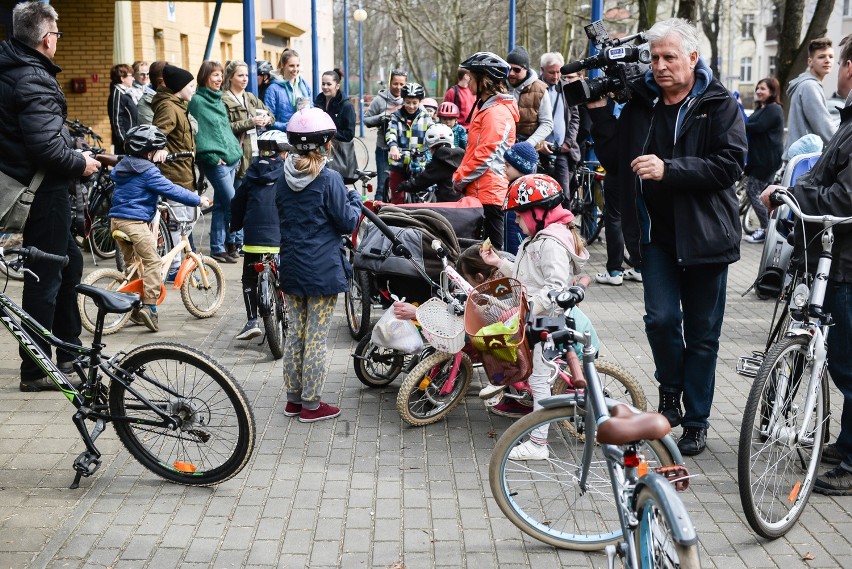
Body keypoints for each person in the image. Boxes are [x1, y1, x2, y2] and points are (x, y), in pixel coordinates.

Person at [588, 18, 747, 456]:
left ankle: (695, 421)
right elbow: (616, 160)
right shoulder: (643, 104)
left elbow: (729, 164)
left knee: (702, 335)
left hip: (706, 239)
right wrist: (599, 112)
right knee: (660, 320)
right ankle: (670, 391)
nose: (659, 65)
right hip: (656, 237)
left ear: (692, 59)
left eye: (669, 57)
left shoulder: (719, 104)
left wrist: (669, 169)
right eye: (654, 58)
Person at [0, 1, 100, 391]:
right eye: (57, 33)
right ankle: (37, 369)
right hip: (43, 191)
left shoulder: (12, 70)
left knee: (69, 264)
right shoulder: (32, 78)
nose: (59, 39)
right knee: (44, 280)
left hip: (33, 183)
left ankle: (69, 351)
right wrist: (81, 163)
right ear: (45, 38)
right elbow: (46, 148)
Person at [759, 94, 852, 496]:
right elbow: (822, 178)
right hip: (832, 257)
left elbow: (845, 198)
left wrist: (792, 196)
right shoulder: (847, 121)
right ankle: (846, 447)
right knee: (843, 363)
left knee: (849, 369)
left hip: (846, 263)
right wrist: (793, 189)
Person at [479, 174, 595, 449]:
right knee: (533, 373)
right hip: (535, 317)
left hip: (547, 319)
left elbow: (555, 287)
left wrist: (530, 305)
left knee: (539, 380)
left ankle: (539, 443)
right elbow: (526, 278)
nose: (517, 221)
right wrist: (499, 263)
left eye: (520, 215)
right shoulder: (537, 239)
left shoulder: (551, 244)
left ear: (538, 212)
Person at [276, 107, 362, 422]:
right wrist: (354, 201)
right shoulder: (328, 178)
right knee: (316, 336)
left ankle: (293, 400)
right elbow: (346, 221)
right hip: (323, 267)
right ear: (326, 143)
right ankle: (312, 405)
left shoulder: (282, 177)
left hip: (292, 264)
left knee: (295, 332)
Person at [108, 125, 208, 332]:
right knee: (152, 261)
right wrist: (198, 200)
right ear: (149, 152)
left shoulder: (125, 165)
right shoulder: (148, 171)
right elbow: (171, 189)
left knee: (133, 263)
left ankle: (134, 306)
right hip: (134, 223)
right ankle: (150, 305)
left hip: (116, 221)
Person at [452, 52, 520, 249]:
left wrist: (459, 179)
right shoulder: (488, 109)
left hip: (489, 193)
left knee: (492, 256)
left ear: (485, 80)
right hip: (482, 191)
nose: (469, 81)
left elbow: (485, 156)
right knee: (483, 254)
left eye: (472, 77)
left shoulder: (495, 113)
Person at [230, 130, 289, 340]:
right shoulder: (288, 173)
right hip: (279, 236)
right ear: (284, 153)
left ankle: (251, 321)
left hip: (253, 237)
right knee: (286, 272)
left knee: (248, 277)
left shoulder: (251, 173)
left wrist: (234, 227)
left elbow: (237, 203)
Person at [188, 60, 244, 264]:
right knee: (233, 202)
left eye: (221, 75)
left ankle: (219, 248)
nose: (219, 79)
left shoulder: (218, 100)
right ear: (204, 77)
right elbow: (198, 133)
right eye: (215, 75)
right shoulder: (197, 101)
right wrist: (212, 157)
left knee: (221, 205)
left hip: (230, 159)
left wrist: (235, 152)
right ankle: (231, 242)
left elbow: (224, 130)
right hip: (215, 161)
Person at [741, 77, 784, 245]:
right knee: (765, 196)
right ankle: (771, 229)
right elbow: (750, 123)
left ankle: (766, 229)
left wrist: (738, 120)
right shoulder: (762, 108)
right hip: (758, 159)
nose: (759, 91)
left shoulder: (774, 109)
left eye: (763, 89)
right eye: (758, 88)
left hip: (767, 161)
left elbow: (757, 126)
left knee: (752, 191)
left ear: (772, 92)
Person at [223, 60, 273, 187]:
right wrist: (251, 122)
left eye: (246, 75)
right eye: (240, 76)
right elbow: (224, 128)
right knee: (238, 194)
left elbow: (271, 116)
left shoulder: (250, 97)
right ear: (230, 78)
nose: (245, 79)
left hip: (257, 152)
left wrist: (267, 119)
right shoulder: (223, 100)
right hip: (238, 155)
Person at [785, 37, 836, 157]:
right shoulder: (809, 86)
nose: (827, 60)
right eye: (821, 56)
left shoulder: (806, 84)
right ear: (810, 62)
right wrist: (844, 146)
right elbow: (824, 127)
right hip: (805, 159)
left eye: (831, 56)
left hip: (801, 156)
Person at [538, 52, 580, 198]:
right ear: (542, 70)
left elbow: (575, 117)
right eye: (551, 72)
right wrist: (539, 142)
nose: (556, 76)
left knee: (564, 195)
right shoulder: (534, 88)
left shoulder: (567, 88)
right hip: (540, 150)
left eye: (559, 72)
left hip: (562, 150)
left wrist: (568, 142)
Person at [386, 82, 433, 203]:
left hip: (419, 163)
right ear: (403, 101)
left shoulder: (426, 117)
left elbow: (433, 133)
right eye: (407, 102)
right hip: (399, 162)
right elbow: (391, 132)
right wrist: (393, 147)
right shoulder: (395, 116)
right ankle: (397, 218)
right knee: (397, 195)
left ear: (420, 102)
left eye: (414, 103)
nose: (411, 106)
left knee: (422, 197)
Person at [364, 69, 406, 200]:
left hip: (404, 149)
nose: (398, 87)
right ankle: (377, 218)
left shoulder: (408, 100)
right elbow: (366, 120)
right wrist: (380, 117)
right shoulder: (379, 100)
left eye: (401, 84)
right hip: (383, 149)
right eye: (395, 84)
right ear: (389, 83)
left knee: (403, 184)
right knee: (383, 185)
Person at [397, 123, 464, 202]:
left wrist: (403, 186)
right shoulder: (462, 153)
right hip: (465, 200)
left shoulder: (440, 159)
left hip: (448, 204)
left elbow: (422, 182)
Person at [506, 46, 553, 148]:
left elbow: (547, 123)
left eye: (516, 70)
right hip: (501, 146)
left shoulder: (540, 89)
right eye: (508, 68)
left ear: (526, 69)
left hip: (527, 146)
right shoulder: (499, 86)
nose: (511, 73)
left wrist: (529, 144)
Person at [315, 69, 357, 182]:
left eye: (329, 84)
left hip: (338, 155)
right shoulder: (318, 102)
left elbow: (349, 134)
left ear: (337, 86)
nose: (325, 87)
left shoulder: (346, 106)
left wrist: (329, 133)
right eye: (323, 83)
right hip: (319, 153)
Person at [264, 48, 312, 131]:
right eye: (291, 66)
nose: (295, 69)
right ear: (282, 65)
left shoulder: (304, 85)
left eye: (297, 65)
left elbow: (311, 108)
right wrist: (288, 126)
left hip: (304, 133)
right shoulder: (272, 89)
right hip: (282, 137)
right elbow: (268, 120)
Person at [107, 63, 138, 154]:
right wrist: (124, 142)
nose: (133, 78)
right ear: (122, 78)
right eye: (130, 75)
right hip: (125, 144)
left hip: (131, 140)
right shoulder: (117, 94)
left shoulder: (126, 93)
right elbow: (116, 121)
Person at [136, 60, 165, 125]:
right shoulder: (129, 93)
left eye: (147, 74)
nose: (145, 76)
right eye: (142, 74)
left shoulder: (172, 95)